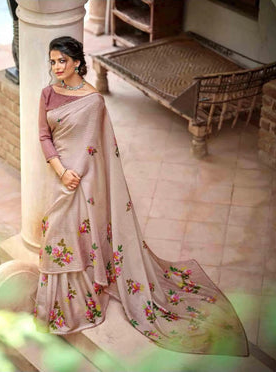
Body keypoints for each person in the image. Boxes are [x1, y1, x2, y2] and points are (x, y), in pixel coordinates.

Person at [33, 36, 248, 356]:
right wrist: (60, 169)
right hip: (59, 177)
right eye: (52, 62)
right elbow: (43, 135)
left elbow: (95, 149)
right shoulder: (48, 94)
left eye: (62, 61)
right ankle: (53, 307)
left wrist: (74, 176)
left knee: (76, 238)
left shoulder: (93, 102)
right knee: (55, 236)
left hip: (83, 181)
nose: (56, 68)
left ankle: (82, 306)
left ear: (77, 62)